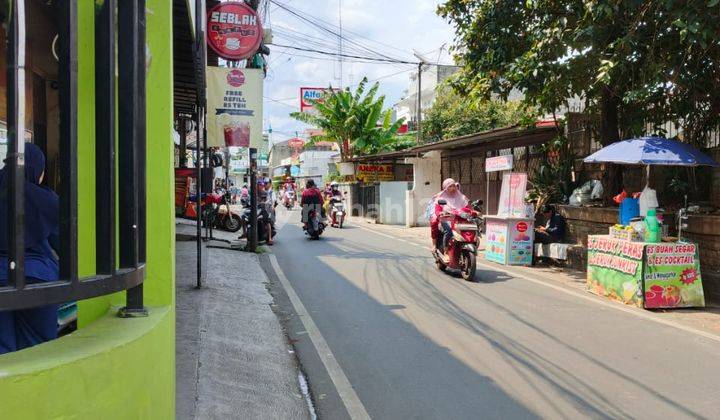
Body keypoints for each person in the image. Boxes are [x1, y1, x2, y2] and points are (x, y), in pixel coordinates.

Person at [0, 143, 60, 354]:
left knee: (3, 349)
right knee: (38, 348)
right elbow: (62, 243)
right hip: (38, 279)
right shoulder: (47, 200)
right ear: (37, 170)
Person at [430, 178, 468, 259]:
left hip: (459, 219)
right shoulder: (440, 198)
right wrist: (440, 213)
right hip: (445, 219)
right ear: (446, 188)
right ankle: (445, 251)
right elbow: (437, 210)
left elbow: (467, 207)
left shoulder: (461, 197)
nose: (453, 188)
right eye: (450, 186)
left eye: (454, 186)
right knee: (449, 231)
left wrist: (472, 211)